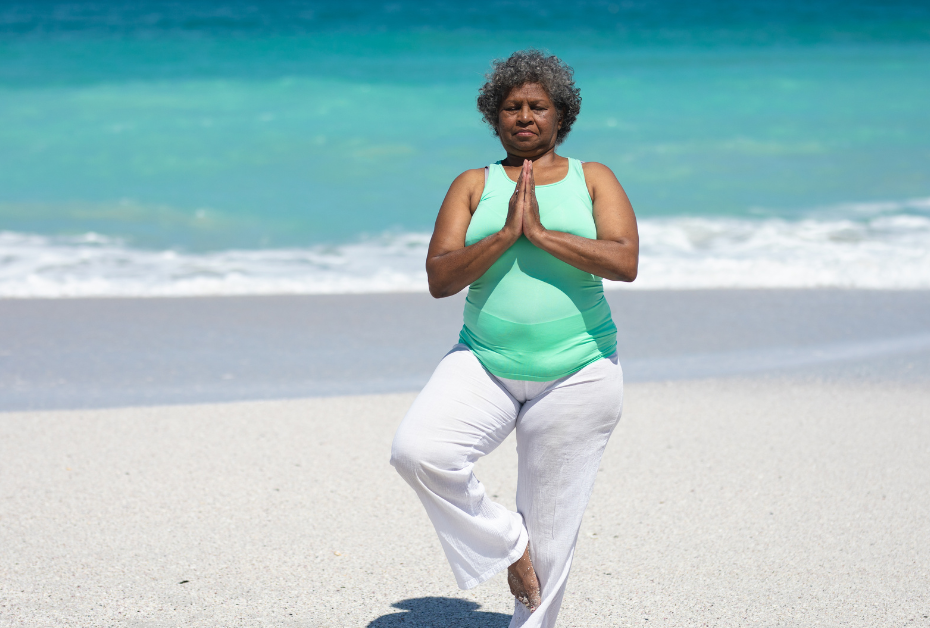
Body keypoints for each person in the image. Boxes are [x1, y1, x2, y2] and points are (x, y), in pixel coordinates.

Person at [390, 49, 639, 628]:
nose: (524, 117)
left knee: (553, 542)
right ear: (493, 116)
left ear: (561, 115)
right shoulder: (472, 184)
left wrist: (542, 233)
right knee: (419, 451)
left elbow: (624, 261)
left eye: (537, 107)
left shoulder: (593, 177)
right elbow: (440, 278)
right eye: (511, 107)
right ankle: (507, 542)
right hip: (484, 361)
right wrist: (506, 234)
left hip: (580, 368)